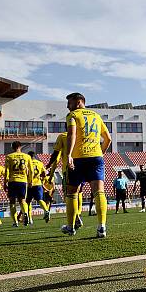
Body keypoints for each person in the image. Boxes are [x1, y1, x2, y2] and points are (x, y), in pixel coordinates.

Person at [60, 92, 112, 238]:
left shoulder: (73, 115)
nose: (67, 106)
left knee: (72, 192)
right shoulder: (96, 115)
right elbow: (108, 139)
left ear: (78, 102)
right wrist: (100, 153)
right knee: (99, 191)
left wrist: (69, 154)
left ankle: (70, 227)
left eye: (69, 103)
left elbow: (72, 135)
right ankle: (102, 227)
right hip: (96, 157)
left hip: (79, 158)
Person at [47, 131, 83, 231]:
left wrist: (49, 169)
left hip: (69, 169)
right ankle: (78, 214)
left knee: (69, 196)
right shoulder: (81, 134)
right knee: (79, 193)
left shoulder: (63, 136)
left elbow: (56, 158)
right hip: (82, 167)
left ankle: (73, 220)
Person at [4, 141, 32, 227]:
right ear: (20, 147)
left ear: (12, 147)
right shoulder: (27, 156)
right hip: (23, 181)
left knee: (12, 202)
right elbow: (30, 170)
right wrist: (30, 181)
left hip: (12, 181)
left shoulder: (9, 156)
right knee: (22, 200)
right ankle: (26, 213)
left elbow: (7, 171)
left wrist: (5, 182)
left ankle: (15, 222)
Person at [26, 151, 47, 225]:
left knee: (28, 202)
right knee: (40, 200)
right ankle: (46, 210)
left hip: (29, 185)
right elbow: (45, 173)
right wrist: (41, 178)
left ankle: (30, 219)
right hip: (38, 184)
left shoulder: (27, 163)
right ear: (34, 156)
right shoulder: (40, 163)